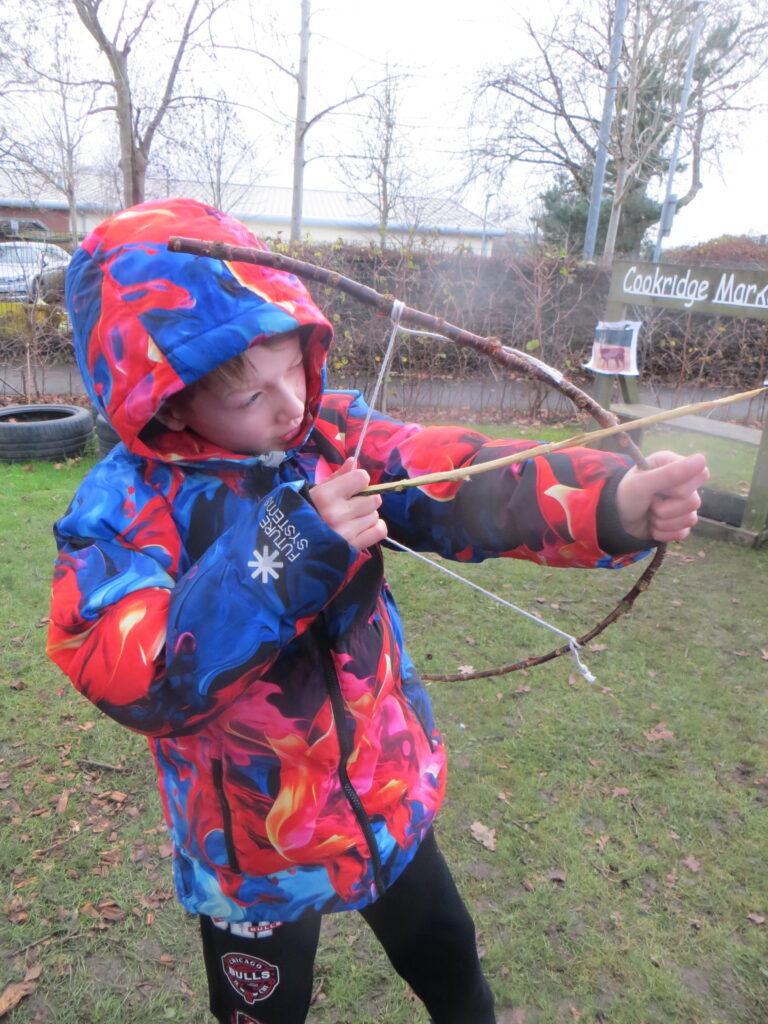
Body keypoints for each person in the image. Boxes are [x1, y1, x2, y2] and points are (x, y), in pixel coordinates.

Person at [47, 198, 709, 1024]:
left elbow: (452, 478)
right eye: (251, 395)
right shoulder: (122, 509)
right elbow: (135, 676)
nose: (290, 405)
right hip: (254, 850)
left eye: (294, 365)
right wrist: (286, 548)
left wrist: (611, 503)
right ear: (168, 402)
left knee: (453, 966)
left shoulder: (328, 433)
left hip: (384, 796)